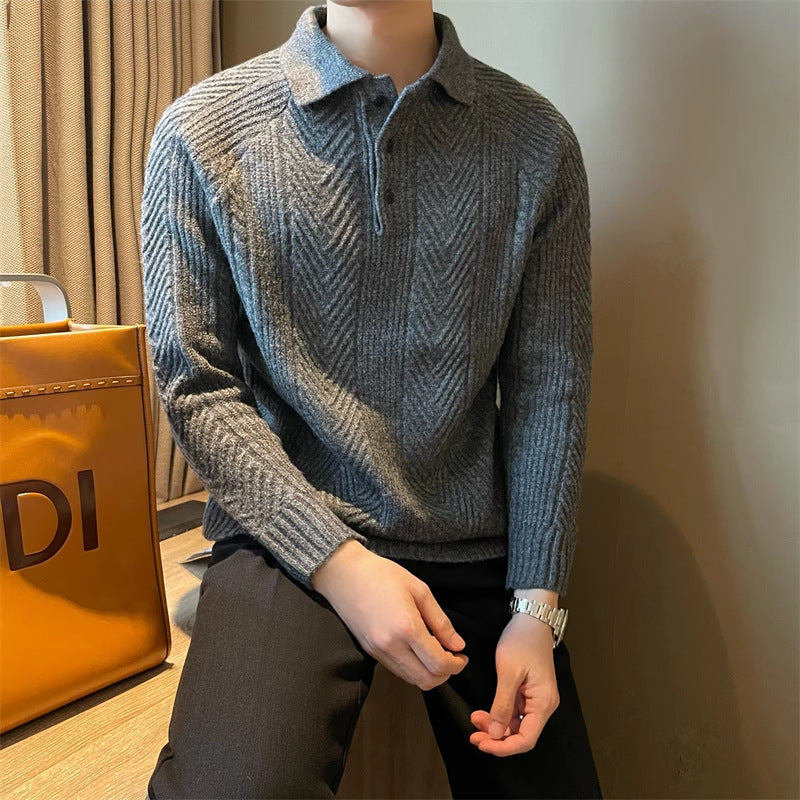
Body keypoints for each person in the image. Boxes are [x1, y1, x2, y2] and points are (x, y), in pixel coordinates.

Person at [141, 2, 602, 798]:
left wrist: (537, 608)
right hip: (286, 533)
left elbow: (548, 388)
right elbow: (196, 381)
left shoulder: (536, 141)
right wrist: (338, 562)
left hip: (474, 546)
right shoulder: (201, 131)